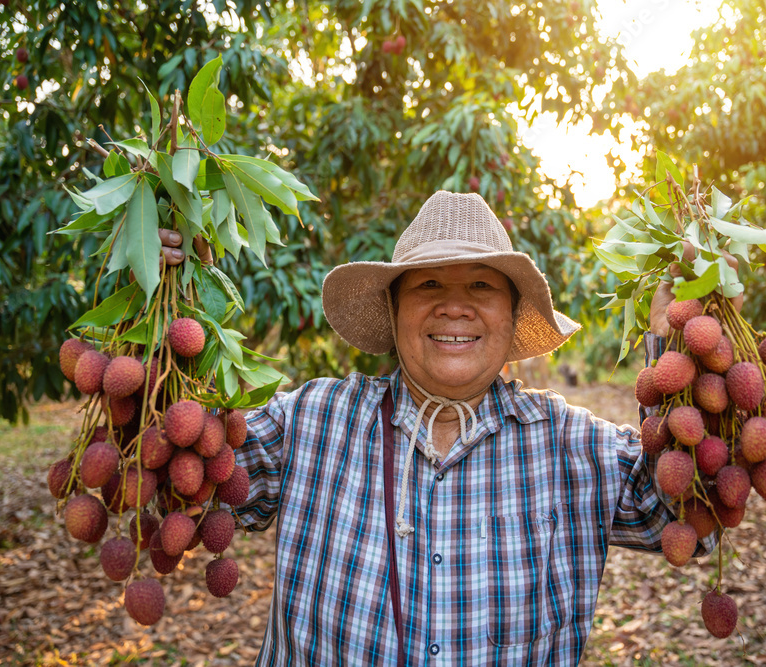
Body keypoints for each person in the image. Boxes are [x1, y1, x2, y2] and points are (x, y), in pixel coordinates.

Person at [159, 191, 716, 666]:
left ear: (512, 313)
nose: (455, 306)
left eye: (481, 286)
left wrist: (680, 344)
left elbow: (688, 517)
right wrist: (171, 303)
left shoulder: (575, 444)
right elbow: (184, 477)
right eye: (428, 285)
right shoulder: (310, 420)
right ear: (395, 309)